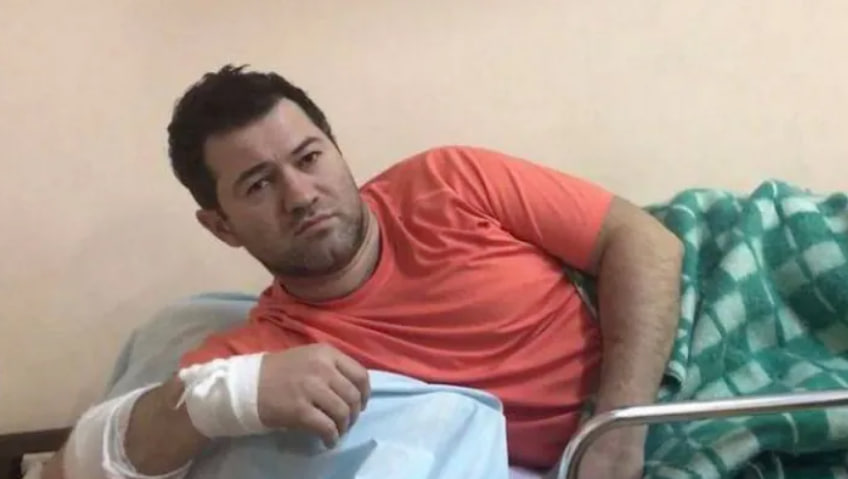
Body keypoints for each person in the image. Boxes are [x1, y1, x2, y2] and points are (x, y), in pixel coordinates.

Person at [42, 65, 683, 479]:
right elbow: (77, 468)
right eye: (259, 184)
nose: (301, 195)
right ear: (222, 226)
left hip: (660, 374)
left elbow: (645, 242)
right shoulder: (267, 353)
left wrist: (618, 428)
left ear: (338, 151)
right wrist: (228, 399)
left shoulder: (451, 181)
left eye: (309, 158)